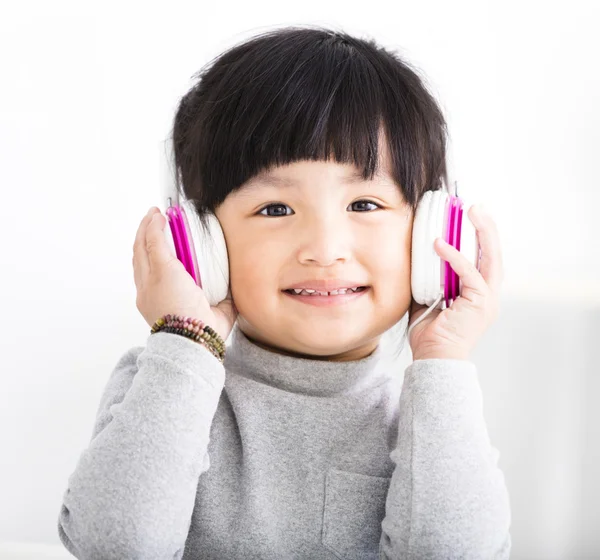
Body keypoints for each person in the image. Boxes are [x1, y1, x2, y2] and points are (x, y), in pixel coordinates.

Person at [57, 25, 511, 559]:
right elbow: (116, 545)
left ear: (431, 232)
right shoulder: (163, 381)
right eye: (275, 209)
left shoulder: (425, 424)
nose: (324, 249)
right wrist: (185, 340)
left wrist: (442, 362)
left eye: (365, 204)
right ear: (202, 245)